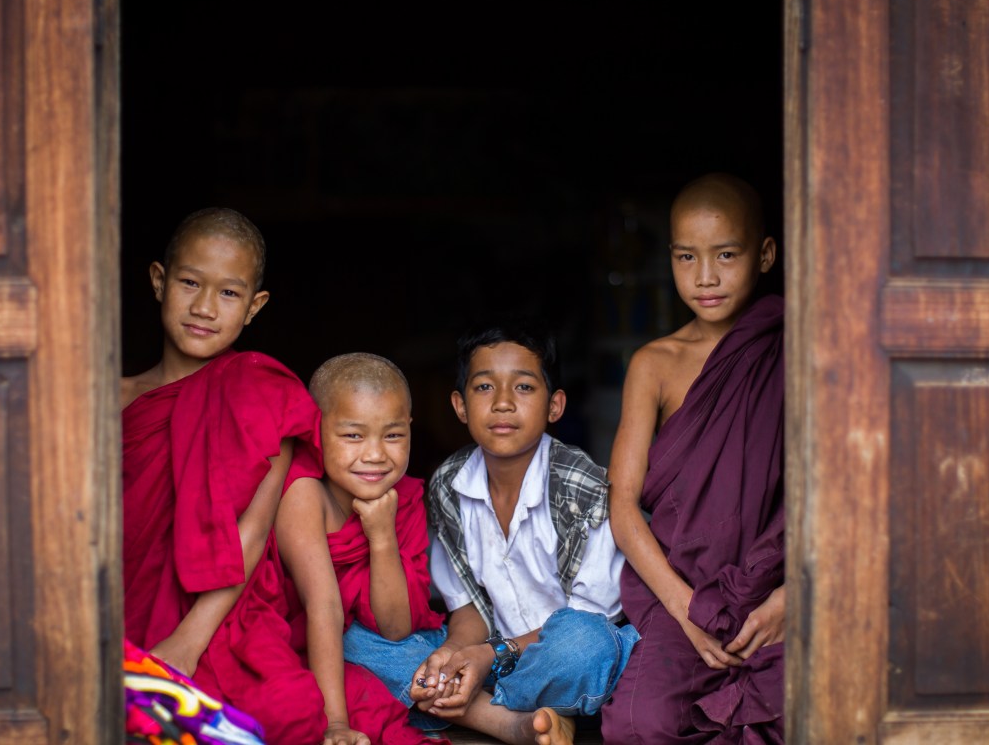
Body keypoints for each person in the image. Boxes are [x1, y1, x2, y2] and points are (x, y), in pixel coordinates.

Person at [121, 206, 333, 743]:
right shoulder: (110, 397)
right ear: (159, 281)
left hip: (219, 615)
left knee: (289, 714)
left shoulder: (261, 390)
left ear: (254, 306)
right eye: (190, 283)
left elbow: (253, 532)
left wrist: (186, 644)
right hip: (120, 604)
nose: (204, 307)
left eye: (229, 293)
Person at [599, 172, 786, 744]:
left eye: (726, 255)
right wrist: (687, 611)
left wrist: (794, 598)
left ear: (765, 254)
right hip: (683, 591)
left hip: (779, 590)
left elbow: (844, 490)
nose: (705, 276)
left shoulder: (799, 347)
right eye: (687, 257)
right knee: (639, 725)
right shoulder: (654, 364)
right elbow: (623, 508)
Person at [409, 321, 640, 745]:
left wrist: (490, 656)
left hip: (565, 661)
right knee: (364, 645)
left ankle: (476, 707)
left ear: (555, 406)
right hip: (488, 659)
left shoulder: (582, 486)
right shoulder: (449, 484)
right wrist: (454, 654)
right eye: (484, 387)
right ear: (460, 406)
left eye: (524, 387)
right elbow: (466, 606)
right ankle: (512, 718)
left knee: (585, 645)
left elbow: (591, 621)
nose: (502, 403)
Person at [276, 354, 446, 745]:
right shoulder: (305, 494)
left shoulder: (404, 497)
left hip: (387, 645)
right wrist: (335, 724)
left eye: (393, 436)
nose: (375, 455)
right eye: (353, 436)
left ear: (410, 428)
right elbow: (323, 608)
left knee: (427, 651)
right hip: (312, 646)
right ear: (316, 432)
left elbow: (396, 627)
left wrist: (382, 535)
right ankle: (494, 716)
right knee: (363, 646)